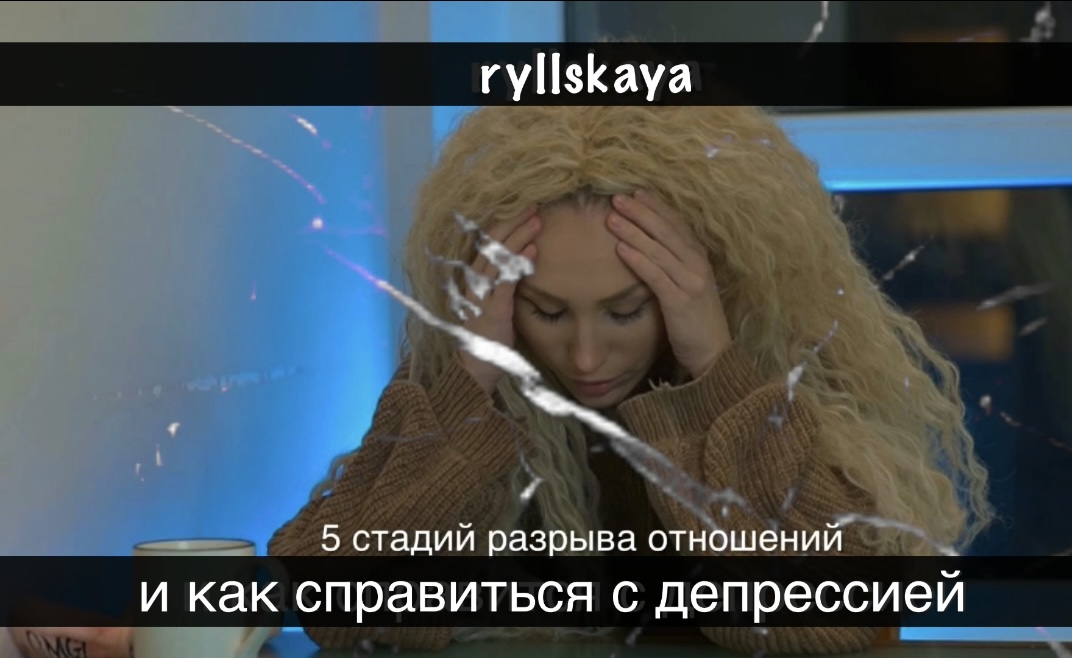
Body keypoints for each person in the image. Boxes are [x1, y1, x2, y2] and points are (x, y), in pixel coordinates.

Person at [268, 105, 993, 654]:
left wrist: (715, 374)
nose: (586, 357)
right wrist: (471, 375)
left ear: (706, 285)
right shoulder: (474, 388)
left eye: (625, 312)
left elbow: (830, 621)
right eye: (549, 311)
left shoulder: (784, 383)